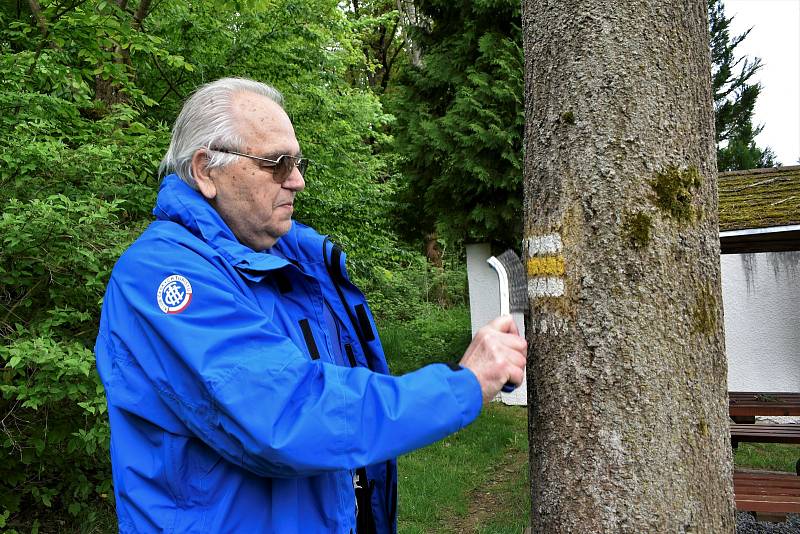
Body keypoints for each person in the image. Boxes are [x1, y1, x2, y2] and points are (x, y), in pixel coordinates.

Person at [94, 77, 527, 533]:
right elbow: (291, 415)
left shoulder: (286, 262)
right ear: (206, 171)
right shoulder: (161, 276)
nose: (297, 181)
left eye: (297, 162)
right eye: (277, 163)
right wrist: (463, 385)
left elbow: (338, 400)